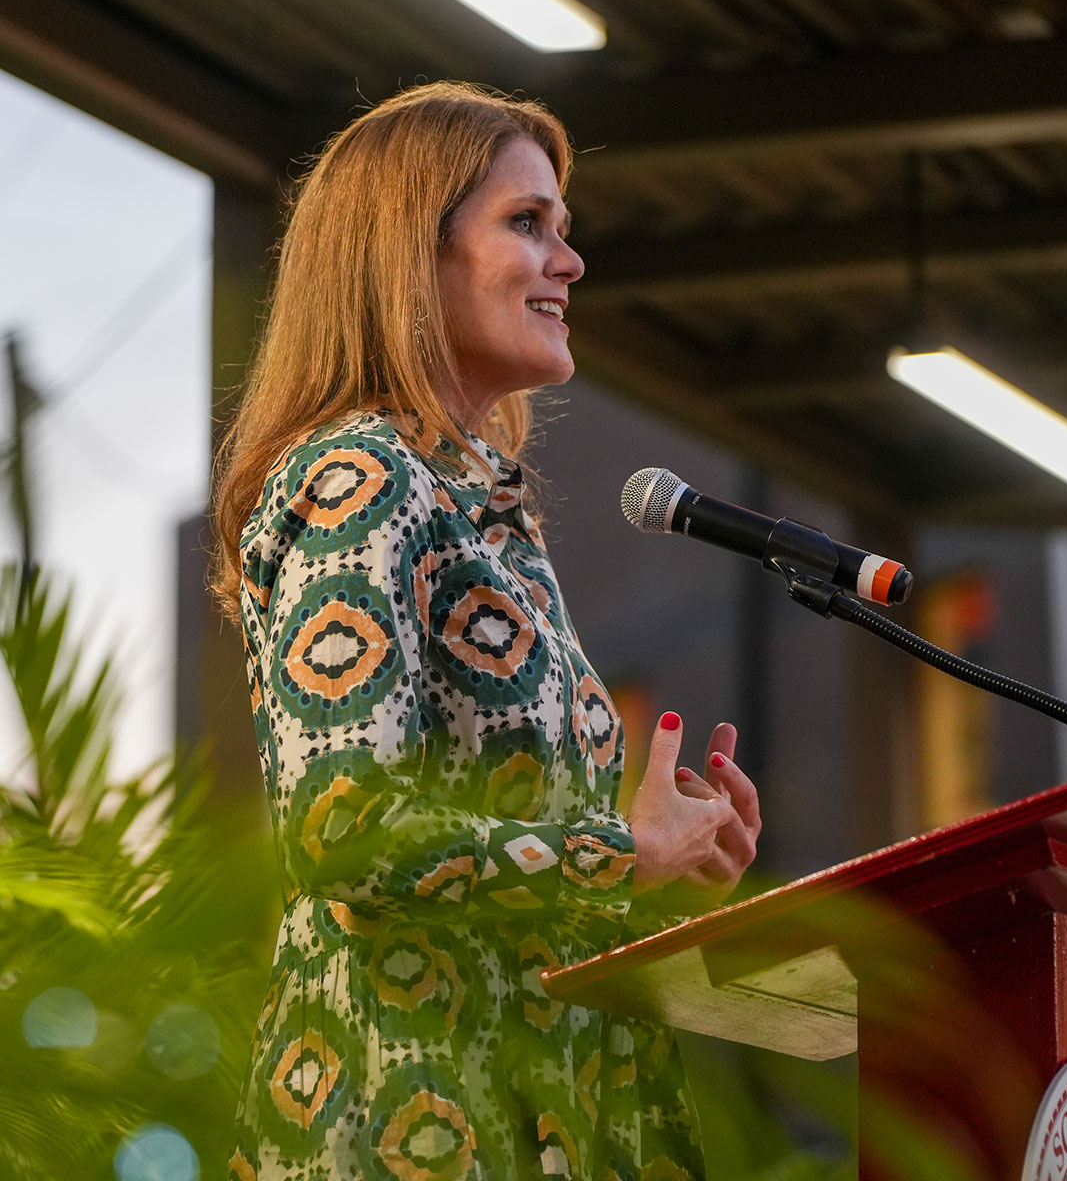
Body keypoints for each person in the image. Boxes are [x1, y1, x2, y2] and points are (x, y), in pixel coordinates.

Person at [212, 81, 762, 1181]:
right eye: (527, 223)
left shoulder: (486, 514)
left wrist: (668, 848)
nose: (571, 262)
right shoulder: (362, 476)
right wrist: (619, 850)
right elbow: (342, 825)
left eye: (564, 229)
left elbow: (507, 857)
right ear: (409, 255)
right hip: (403, 1116)